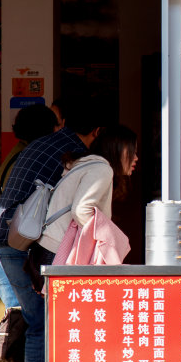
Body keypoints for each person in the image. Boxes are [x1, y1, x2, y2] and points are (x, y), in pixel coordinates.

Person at [0, 100, 103, 362]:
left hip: (3, 237)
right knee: (39, 321)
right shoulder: (78, 156)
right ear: (96, 132)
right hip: (16, 242)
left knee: (30, 318)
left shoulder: (42, 145)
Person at [0, 104, 58, 362]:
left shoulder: (18, 153)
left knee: (21, 315)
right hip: (13, 240)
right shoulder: (32, 156)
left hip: (3, 239)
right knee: (23, 317)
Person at [24, 125, 138, 291]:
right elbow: (81, 210)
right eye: (132, 151)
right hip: (58, 252)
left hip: (46, 249)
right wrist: (107, 237)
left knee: (56, 314)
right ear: (118, 149)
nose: (136, 158)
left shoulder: (85, 165)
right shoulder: (102, 169)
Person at [0, 104, 59, 192]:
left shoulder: (18, 153)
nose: (58, 131)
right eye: (56, 126)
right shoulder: (32, 159)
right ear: (44, 129)